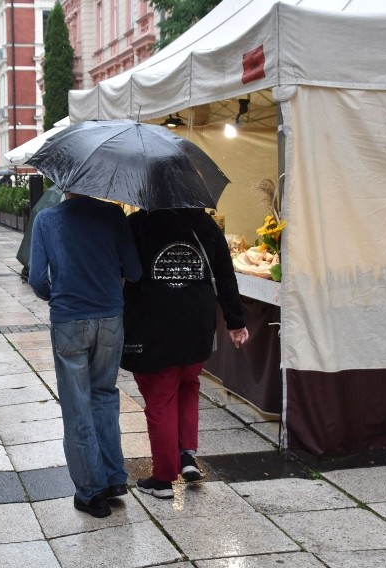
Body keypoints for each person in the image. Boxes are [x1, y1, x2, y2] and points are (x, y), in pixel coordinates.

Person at [121, 208, 249, 499]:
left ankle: (165, 478)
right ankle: (186, 456)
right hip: (197, 321)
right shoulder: (202, 222)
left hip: (153, 322)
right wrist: (236, 321)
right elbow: (225, 272)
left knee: (160, 396)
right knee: (188, 385)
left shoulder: (138, 223)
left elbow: (126, 270)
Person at [28, 193, 142, 518]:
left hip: (69, 320)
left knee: (77, 404)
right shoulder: (114, 216)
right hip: (110, 319)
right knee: (105, 396)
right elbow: (133, 271)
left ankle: (92, 492)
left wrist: (59, 294)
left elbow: (37, 279)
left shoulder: (47, 219)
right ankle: (114, 478)